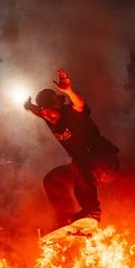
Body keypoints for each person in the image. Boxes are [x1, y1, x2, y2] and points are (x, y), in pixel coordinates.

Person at [23, 69, 120, 228]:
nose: (49, 118)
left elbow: (79, 103)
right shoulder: (47, 116)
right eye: (45, 114)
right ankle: (65, 219)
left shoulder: (72, 113)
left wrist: (69, 90)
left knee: (78, 164)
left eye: (51, 113)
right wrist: (29, 106)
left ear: (59, 105)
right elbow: (37, 110)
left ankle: (92, 213)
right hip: (84, 168)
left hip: (106, 163)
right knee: (53, 179)